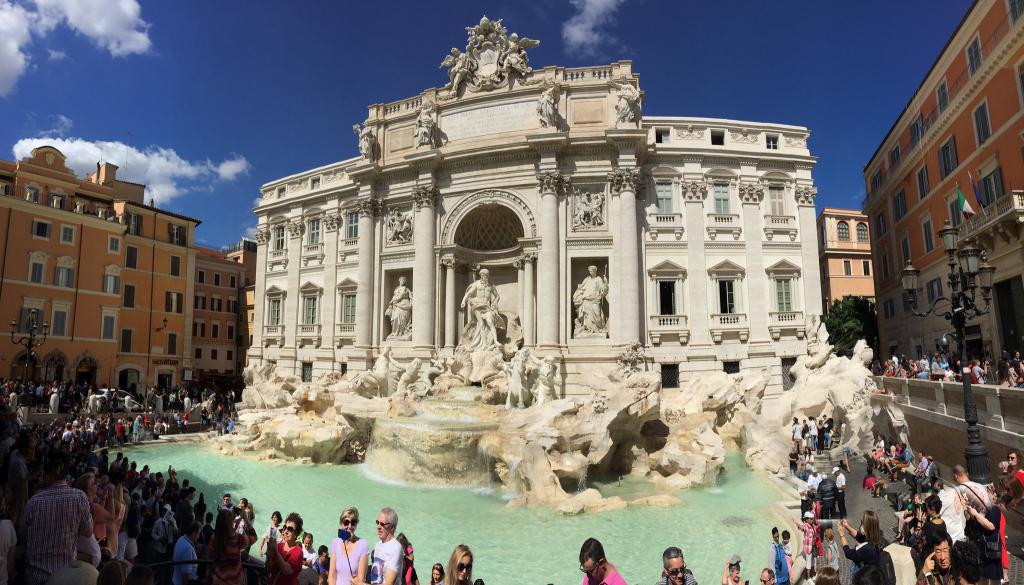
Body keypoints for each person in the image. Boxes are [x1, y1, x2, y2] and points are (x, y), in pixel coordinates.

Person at [19, 454, 93, 585]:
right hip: (66, 577)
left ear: (47, 473)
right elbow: (88, 532)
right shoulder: (80, 497)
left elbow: (22, 535)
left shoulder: (33, 502)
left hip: (35, 578)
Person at [210, 508, 257, 585]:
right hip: (235, 581)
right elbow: (254, 537)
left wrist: (234, 524)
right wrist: (245, 518)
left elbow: (226, 537)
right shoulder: (237, 539)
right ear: (229, 523)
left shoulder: (214, 538)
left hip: (218, 579)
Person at [329, 506, 369, 585]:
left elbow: (360, 580)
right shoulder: (335, 543)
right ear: (341, 523)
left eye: (353, 522)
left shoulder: (363, 545)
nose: (350, 526)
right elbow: (332, 575)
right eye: (346, 522)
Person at [839, 512, 881, 580]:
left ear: (867, 528)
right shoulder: (874, 538)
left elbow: (848, 553)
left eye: (862, 524)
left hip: (862, 576)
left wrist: (842, 534)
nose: (860, 526)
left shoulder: (867, 548)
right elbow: (859, 536)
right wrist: (847, 526)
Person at [267, 512, 305, 585]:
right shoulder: (279, 546)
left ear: (296, 533)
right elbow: (268, 569)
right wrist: (269, 556)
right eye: (285, 527)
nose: (286, 531)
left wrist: (276, 552)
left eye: (290, 529)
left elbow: (287, 571)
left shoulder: (298, 552)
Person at [369, 507, 403, 585]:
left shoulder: (396, 548)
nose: (378, 527)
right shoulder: (378, 545)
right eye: (377, 522)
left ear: (392, 527)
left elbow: (388, 583)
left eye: (382, 524)